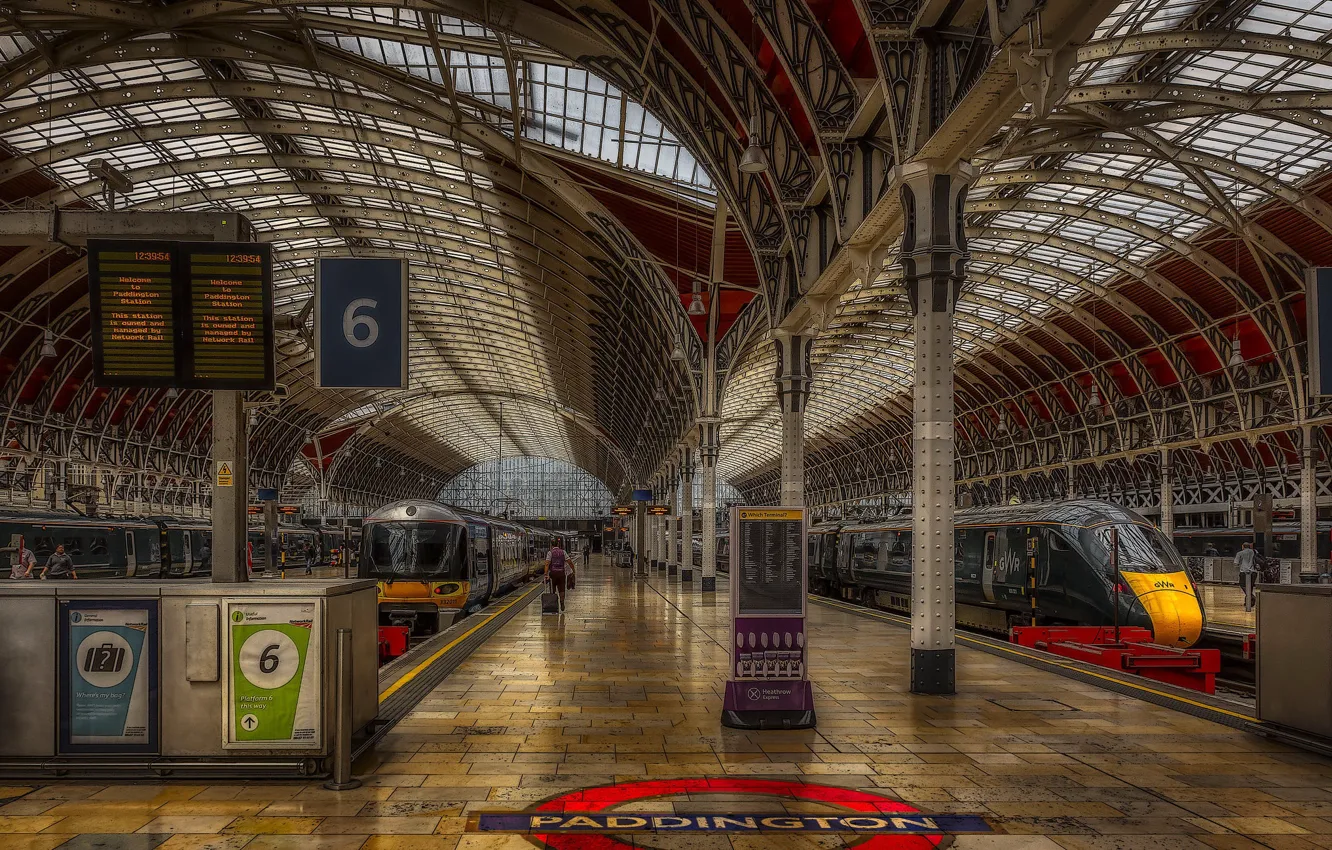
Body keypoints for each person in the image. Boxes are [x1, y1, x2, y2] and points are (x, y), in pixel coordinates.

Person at [545, 539, 569, 612]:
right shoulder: (563, 552)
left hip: (553, 574)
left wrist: (546, 574)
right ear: (558, 544)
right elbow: (569, 561)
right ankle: (562, 602)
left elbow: (547, 564)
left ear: (551, 545)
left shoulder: (550, 553)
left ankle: (554, 605)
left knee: (553, 590)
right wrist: (573, 570)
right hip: (561, 574)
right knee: (562, 589)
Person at [1236, 541, 1259, 613]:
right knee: (1250, 586)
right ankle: (1249, 602)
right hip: (1254, 572)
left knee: (1242, 584)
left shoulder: (1240, 553)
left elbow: (1236, 563)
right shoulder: (1255, 552)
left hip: (1244, 572)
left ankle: (1251, 597)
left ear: (1243, 546)